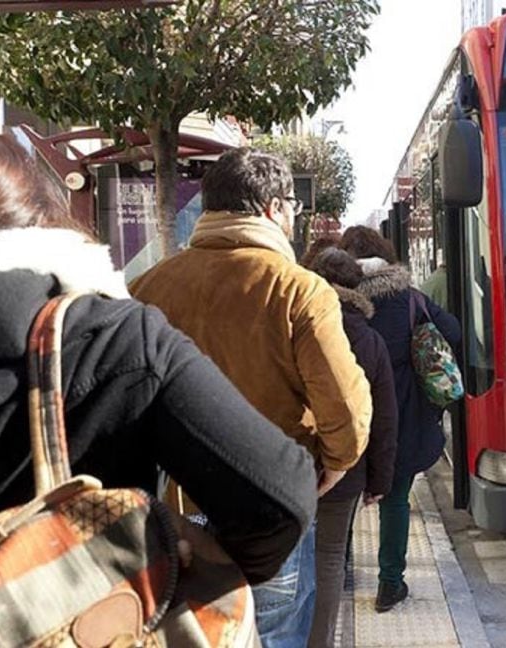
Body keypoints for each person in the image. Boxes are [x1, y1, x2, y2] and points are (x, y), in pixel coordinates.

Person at [0, 124, 317, 647]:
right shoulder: (110, 338)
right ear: (36, 215)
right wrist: (166, 552)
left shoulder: (153, 290)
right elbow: (280, 499)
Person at [130, 150, 372, 648]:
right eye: (292, 209)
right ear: (274, 208)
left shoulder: (146, 287)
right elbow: (345, 411)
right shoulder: (299, 291)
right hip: (268, 508)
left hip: (174, 510)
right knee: (276, 633)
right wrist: (329, 469)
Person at [338, 226, 462, 613]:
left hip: (348, 418)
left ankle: (339, 569)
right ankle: (389, 584)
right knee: (395, 500)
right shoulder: (410, 299)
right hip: (404, 418)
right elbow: (455, 332)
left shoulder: (331, 303)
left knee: (342, 499)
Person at [304, 246, 398, 648]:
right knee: (329, 557)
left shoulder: (293, 321)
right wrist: (379, 479)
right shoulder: (368, 338)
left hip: (289, 459)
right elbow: (384, 415)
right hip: (346, 465)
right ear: (358, 287)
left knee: (289, 556)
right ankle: (319, 641)